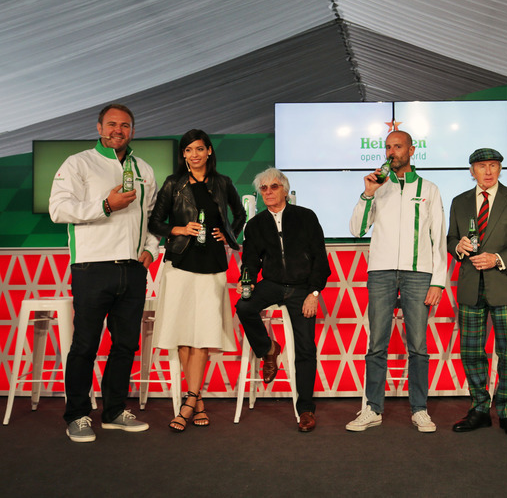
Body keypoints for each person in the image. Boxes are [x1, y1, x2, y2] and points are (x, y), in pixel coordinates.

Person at [49, 104, 159, 442]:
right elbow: (58, 209)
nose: (118, 130)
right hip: (91, 267)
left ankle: (113, 411)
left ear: (133, 131)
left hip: (132, 269)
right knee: (85, 345)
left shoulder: (144, 169)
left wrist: (151, 250)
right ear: (99, 128)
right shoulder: (78, 163)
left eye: (125, 125)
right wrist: (105, 206)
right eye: (111, 124)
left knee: (125, 345)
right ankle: (78, 414)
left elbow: (153, 218)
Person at [346, 130, 447, 433]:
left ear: (411, 151)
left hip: (419, 274)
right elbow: (357, 229)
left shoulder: (429, 188)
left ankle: (420, 409)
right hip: (381, 272)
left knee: (418, 345)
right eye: (388, 147)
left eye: (398, 146)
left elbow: (438, 238)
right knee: (377, 344)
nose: (392, 151)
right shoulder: (379, 187)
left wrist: (438, 282)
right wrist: (367, 193)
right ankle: (372, 408)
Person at [148, 129, 246, 432]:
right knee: (182, 333)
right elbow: (155, 221)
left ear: (210, 151)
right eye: (188, 150)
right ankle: (198, 400)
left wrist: (227, 235)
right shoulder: (173, 184)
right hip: (179, 263)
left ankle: (188, 402)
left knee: (203, 332)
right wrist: (178, 230)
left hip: (213, 265)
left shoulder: (223, 182)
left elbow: (240, 214)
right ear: (183, 155)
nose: (194, 154)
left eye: (200, 149)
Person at [448, 148, 507, 437]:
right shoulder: (459, 202)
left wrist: (497, 259)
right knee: (471, 352)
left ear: (500, 169)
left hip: (506, 284)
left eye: (494, 165)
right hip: (471, 286)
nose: (488, 171)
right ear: (471, 171)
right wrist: (457, 247)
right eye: (481, 166)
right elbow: (451, 238)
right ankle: (479, 409)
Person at [235, 168, 330, 432]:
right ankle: (268, 349)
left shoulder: (306, 217)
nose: (268, 192)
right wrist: (248, 281)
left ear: (285, 190)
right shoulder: (254, 225)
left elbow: (320, 260)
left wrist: (313, 293)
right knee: (244, 306)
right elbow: (251, 261)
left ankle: (306, 410)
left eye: (273, 187)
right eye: (263, 188)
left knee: (305, 348)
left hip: (302, 289)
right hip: (273, 285)